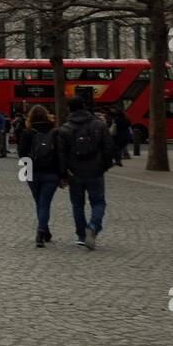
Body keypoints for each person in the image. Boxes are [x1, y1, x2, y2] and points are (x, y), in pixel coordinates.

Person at [58, 95, 113, 250]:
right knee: (98, 202)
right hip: (95, 170)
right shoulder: (99, 125)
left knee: (77, 205)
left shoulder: (65, 129)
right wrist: (105, 166)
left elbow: (61, 155)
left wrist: (62, 175)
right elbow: (108, 147)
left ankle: (81, 235)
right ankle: (93, 227)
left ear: (69, 109)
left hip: (74, 173)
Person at [17, 104, 64, 248]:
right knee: (45, 203)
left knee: (39, 202)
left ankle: (43, 230)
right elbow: (60, 155)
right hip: (51, 172)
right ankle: (43, 231)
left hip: (32, 171)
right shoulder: (55, 132)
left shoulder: (28, 132)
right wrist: (63, 175)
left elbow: (21, 154)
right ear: (47, 115)